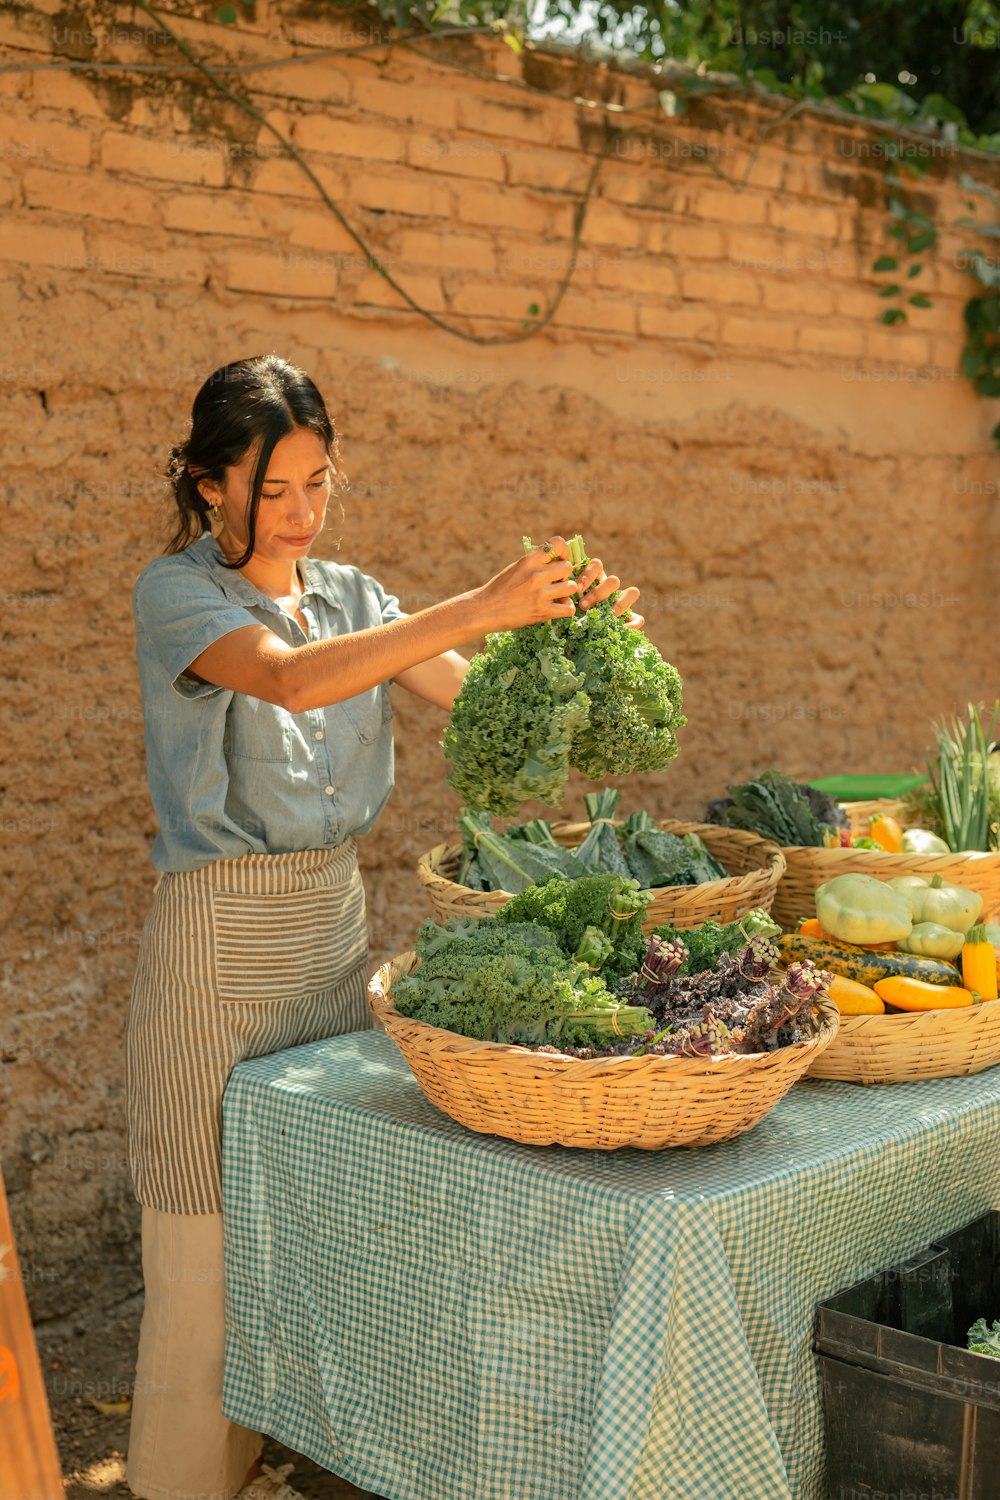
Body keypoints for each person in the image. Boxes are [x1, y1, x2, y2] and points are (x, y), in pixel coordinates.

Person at [123, 353, 643, 1500]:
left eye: (320, 482)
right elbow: (295, 683)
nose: (301, 513)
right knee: (203, 1254)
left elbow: (473, 691)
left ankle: (280, 1469)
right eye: (275, 487)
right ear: (210, 484)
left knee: (303, 1232)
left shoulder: (355, 596)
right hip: (217, 946)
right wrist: (479, 601)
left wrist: (570, 634)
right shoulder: (178, 595)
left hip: (331, 933)